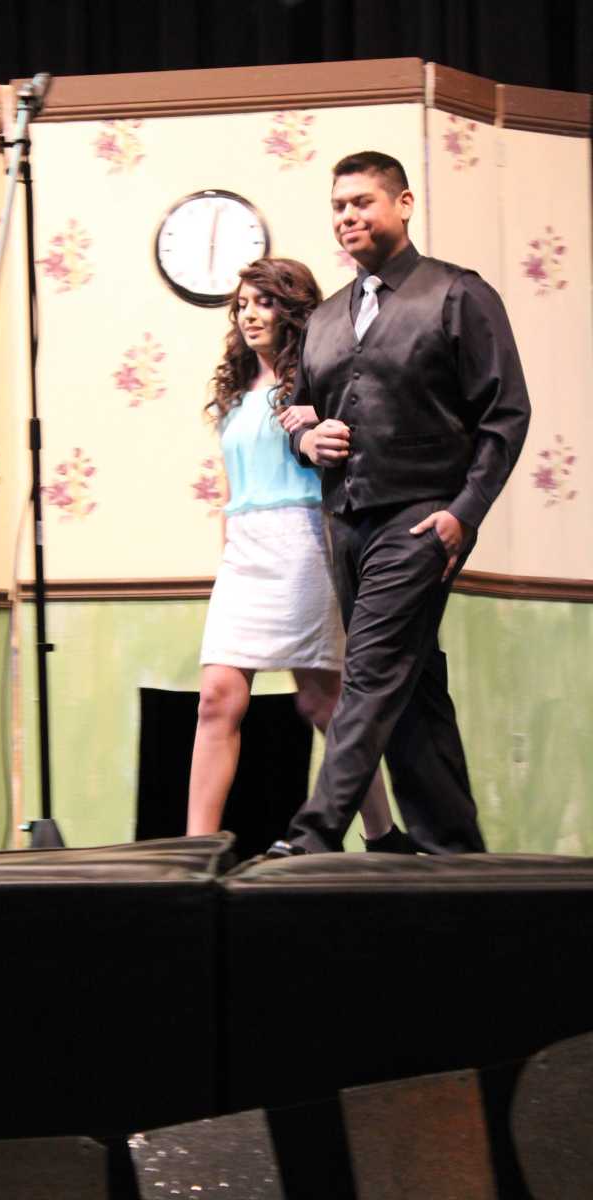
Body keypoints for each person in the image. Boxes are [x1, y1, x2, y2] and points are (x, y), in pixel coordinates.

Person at [269, 152, 531, 858]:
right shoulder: (326, 318)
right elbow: (299, 416)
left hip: (421, 519)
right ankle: (454, 848)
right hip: (345, 526)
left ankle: (314, 833)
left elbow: (506, 414)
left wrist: (464, 512)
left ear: (404, 204)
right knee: (413, 686)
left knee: (371, 669)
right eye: (338, 206)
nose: (347, 216)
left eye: (362, 201)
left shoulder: (459, 294)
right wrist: (306, 440)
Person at [187, 256, 413, 853]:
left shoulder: (317, 378)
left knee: (322, 700)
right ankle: (194, 849)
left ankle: (382, 834)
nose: (249, 315)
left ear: (289, 309)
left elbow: (345, 453)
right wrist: (226, 554)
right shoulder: (235, 391)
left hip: (303, 542)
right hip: (244, 552)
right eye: (241, 305)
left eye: (263, 302)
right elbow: (232, 487)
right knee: (217, 697)